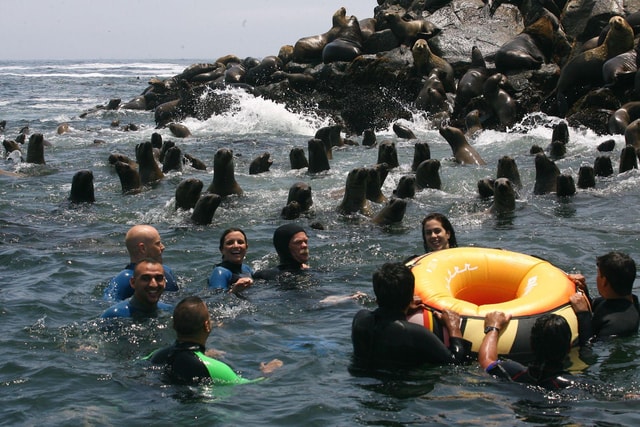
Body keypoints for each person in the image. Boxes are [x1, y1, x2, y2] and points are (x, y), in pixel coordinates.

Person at [351, 262, 471, 370]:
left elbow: (384, 315)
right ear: (410, 296)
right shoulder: (414, 333)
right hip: (403, 388)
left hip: (363, 378)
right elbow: (455, 362)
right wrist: (454, 327)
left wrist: (405, 305)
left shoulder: (360, 319)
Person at [145, 296, 282, 385]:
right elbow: (250, 385)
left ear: (174, 325)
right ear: (207, 325)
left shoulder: (156, 355)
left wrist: (202, 356)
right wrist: (267, 373)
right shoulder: (216, 368)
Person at [478, 311, 577, 389]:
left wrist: (493, 327)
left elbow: (486, 361)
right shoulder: (575, 384)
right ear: (569, 348)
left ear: (530, 344)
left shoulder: (511, 372)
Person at [569, 251, 640, 344]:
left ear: (604, 281)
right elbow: (592, 305)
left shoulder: (618, 324)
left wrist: (583, 315)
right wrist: (583, 289)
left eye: (598, 275)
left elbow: (589, 348)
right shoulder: (621, 302)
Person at [103, 224, 178, 301]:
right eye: (157, 243)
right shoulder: (124, 279)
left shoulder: (167, 270)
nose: (163, 247)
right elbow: (109, 303)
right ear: (142, 248)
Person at [101, 258, 173, 319]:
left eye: (158, 278)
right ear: (133, 283)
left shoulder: (169, 310)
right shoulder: (114, 315)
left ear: (164, 282)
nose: (153, 284)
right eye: (145, 278)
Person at [208, 228, 254, 293]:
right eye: (229, 243)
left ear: (246, 247)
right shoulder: (220, 272)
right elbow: (216, 298)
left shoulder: (247, 268)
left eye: (240, 242)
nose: (236, 246)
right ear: (221, 249)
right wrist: (234, 291)